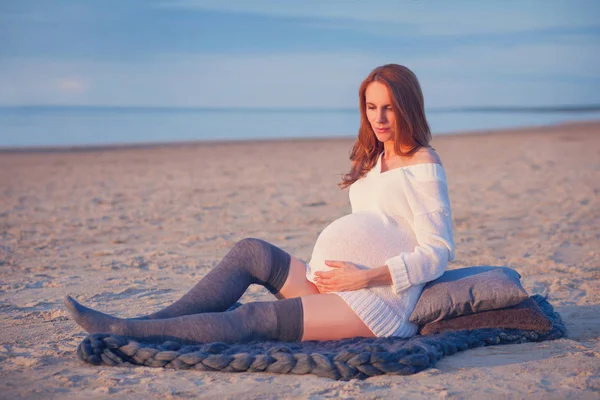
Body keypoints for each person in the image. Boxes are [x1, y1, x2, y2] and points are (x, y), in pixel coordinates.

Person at [65, 64, 455, 344]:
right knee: (251, 251)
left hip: (378, 305)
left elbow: (437, 252)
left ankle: (126, 332)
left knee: (253, 318)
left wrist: (363, 277)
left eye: (388, 107)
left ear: (407, 106)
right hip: (336, 291)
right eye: (372, 107)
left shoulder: (423, 163)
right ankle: (150, 322)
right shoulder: (374, 160)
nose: (379, 118)